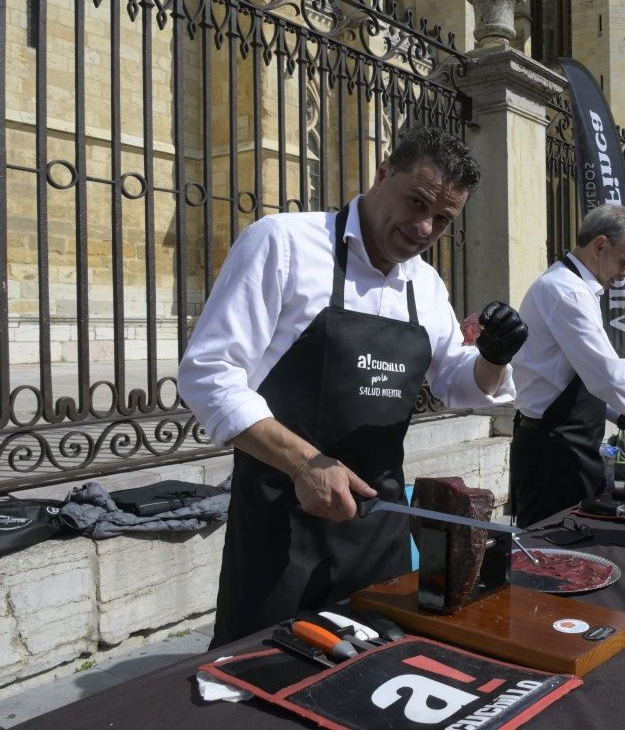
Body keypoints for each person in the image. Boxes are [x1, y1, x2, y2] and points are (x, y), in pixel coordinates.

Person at [177, 127, 529, 646]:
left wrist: (494, 357)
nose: (423, 227)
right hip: (282, 533)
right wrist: (305, 464)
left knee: (377, 679)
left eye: (443, 220)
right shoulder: (284, 243)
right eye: (416, 202)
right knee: (264, 683)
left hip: (379, 534)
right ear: (383, 172)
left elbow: (459, 386)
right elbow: (208, 373)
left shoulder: (426, 286)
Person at [509, 205, 625, 527]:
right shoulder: (565, 290)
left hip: (569, 442)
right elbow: (606, 373)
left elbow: (579, 377)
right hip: (553, 452)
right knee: (551, 551)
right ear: (599, 246)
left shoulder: (576, 289)